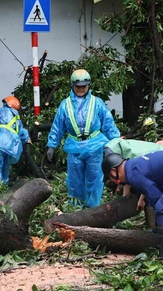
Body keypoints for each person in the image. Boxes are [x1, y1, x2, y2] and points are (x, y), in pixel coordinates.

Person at [46, 69, 120, 207]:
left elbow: (108, 124)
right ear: (72, 86)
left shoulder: (96, 103)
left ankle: (93, 209)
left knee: (95, 178)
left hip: (95, 146)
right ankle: (76, 210)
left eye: (83, 86)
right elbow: (58, 126)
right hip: (75, 146)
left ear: (89, 86)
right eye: (77, 86)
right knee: (75, 180)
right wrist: (52, 145)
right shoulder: (65, 104)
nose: (80, 89)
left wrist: (115, 143)